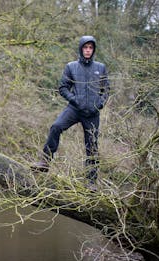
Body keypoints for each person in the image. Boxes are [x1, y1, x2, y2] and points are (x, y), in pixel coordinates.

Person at [34, 36, 110, 183]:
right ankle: (44, 162)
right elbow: (62, 88)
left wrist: (99, 104)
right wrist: (75, 100)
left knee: (92, 145)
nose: (88, 50)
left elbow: (106, 90)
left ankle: (92, 182)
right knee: (56, 126)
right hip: (75, 109)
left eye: (90, 48)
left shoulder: (100, 68)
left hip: (92, 113)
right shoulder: (71, 66)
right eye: (85, 47)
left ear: (93, 50)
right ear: (81, 49)